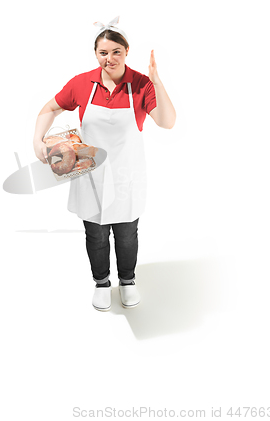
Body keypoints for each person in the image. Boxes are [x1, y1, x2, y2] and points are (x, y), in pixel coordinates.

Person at [33, 17, 176, 311]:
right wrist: (38, 139)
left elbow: (167, 121)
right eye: (103, 53)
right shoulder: (82, 83)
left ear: (126, 51)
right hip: (91, 176)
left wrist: (157, 82)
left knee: (126, 234)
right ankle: (101, 282)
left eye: (115, 52)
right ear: (95, 53)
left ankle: (127, 280)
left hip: (127, 176)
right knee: (95, 234)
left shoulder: (140, 84)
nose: (109, 59)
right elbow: (50, 108)